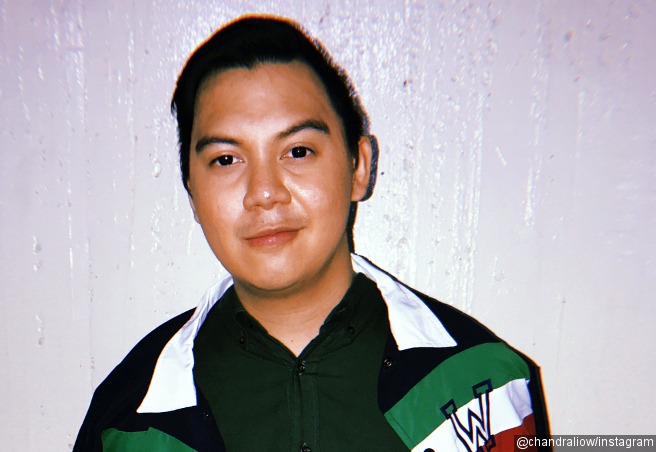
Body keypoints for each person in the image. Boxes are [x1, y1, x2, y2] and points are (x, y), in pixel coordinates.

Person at [75, 15, 550, 452]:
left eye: (298, 151)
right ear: (193, 194)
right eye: (226, 159)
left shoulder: (482, 384)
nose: (264, 193)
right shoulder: (127, 421)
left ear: (359, 166)